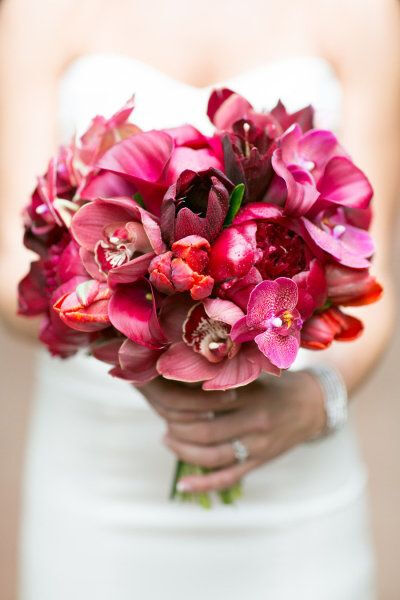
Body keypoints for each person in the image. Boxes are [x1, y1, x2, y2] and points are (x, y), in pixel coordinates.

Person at [0, 0, 399, 598]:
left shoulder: (366, 14)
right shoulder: (37, 12)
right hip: (100, 487)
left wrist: (316, 404)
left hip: (295, 499)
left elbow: (374, 280)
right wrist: (148, 331)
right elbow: (14, 271)